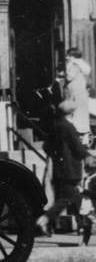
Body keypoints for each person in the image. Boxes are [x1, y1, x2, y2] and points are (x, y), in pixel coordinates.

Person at [37, 101, 88, 236]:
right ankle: (45, 219)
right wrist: (86, 153)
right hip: (70, 169)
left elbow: (46, 147)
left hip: (57, 169)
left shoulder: (55, 127)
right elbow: (77, 149)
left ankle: (57, 226)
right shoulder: (69, 127)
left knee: (66, 197)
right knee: (67, 198)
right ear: (71, 112)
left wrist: (57, 153)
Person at [64, 48, 91, 140]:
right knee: (80, 114)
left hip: (76, 93)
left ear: (72, 56)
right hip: (79, 93)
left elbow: (69, 77)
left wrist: (63, 74)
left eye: (68, 55)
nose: (66, 57)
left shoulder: (74, 64)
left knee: (74, 114)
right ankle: (84, 137)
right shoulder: (80, 64)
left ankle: (77, 136)